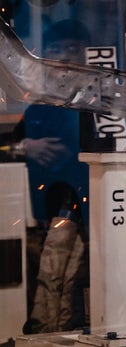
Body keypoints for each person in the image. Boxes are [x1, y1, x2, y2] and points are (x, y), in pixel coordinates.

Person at [8, 18, 91, 333]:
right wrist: (26, 145)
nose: (66, 57)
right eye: (58, 49)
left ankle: (59, 329)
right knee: (53, 270)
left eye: (73, 48)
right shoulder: (38, 109)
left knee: (72, 275)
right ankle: (47, 330)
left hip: (92, 204)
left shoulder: (98, 103)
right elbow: (12, 144)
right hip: (56, 207)